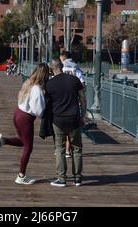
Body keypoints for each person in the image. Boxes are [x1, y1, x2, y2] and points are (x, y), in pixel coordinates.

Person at [0, 63, 50, 185]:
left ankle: (4, 140)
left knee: (23, 141)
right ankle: (21, 176)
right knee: (28, 147)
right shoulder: (37, 89)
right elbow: (38, 110)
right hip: (26, 119)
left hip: (18, 113)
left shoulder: (28, 83)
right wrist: (46, 110)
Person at [45, 59, 86, 187]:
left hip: (58, 120)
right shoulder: (74, 80)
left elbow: (47, 104)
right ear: (62, 66)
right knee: (77, 149)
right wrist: (83, 115)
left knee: (60, 149)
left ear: (51, 69)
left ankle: (61, 178)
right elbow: (82, 98)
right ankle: (77, 178)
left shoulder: (50, 84)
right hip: (74, 118)